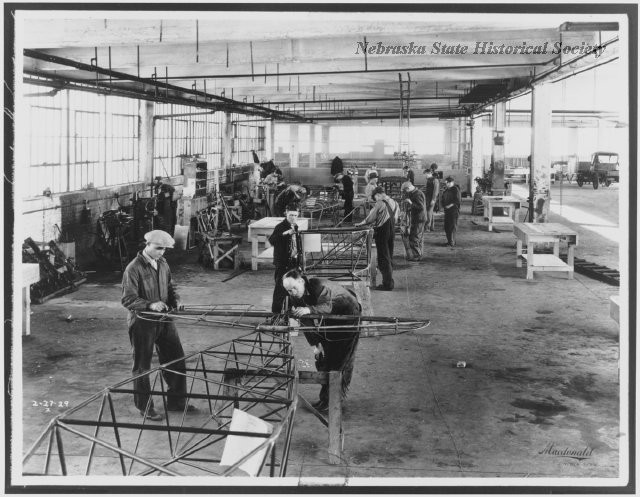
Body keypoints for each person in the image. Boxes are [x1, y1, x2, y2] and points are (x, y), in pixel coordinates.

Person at [121, 230, 197, 421]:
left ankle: (176, 401)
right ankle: (145, 407)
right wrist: (149, 304)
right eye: (158, 248)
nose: (161, 252)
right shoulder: (133, 268)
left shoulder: (163, 263)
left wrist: (176, 301)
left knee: (176, 359)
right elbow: (128, 299)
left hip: (164, 319)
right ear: (147, 245)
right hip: (143, 322)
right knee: (142, 366)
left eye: (164, 249)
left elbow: (171, 287)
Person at [283, 269, 361, 413]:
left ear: (301, 281)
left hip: (348, 313)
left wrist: (309, 309)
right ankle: (325, 399)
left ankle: (334, 401)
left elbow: (327, 306)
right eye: (288, 290)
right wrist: (316, 345)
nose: (292, 292)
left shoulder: (318, 286)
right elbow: (305, 321)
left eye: (294, 288)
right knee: (325, 360)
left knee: (341, 361)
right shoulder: (295, 297)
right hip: (330, 319)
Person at [356, 186, 398, 291]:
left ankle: (387, 285)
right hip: (392, 230)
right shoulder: (394, 202)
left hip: (383, 232)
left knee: (383, 257)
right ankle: (389, 282)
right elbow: (396, 217)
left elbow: (370, 218)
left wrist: (360, 224)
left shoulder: (380, 203)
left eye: (375, 197)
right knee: (389, 255)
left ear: (378, 195)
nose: (375, 200)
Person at [268, 207, 302, 313]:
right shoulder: (280, 227)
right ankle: (276, 314)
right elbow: (272, 240)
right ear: (286, 214)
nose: (293, 218)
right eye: (291, 215)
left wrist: (299, 261)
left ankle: (289, 313)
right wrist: (286, 233)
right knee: (280, 290)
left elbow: (297, 244)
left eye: (295, 215)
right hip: (283, 263)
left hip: (293, 263)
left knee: (293, 289)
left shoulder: (296, 226)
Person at [401, 181, 427, 261]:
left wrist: (410, 203)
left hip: (419, 219)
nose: (406, 193)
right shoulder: (414, 193)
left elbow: (421, 207)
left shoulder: (418, 194)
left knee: (415, 237)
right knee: (419, 237)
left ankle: (416, 256)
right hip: (418, 218)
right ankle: (419, 254)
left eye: (406, 191)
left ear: (408, 188)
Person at [441, 176, 461, 247]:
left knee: (452, 227)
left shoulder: (455, 189)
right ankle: (449, 241)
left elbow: (457, 200)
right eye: (445, 183)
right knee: (447, 227)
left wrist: (449, 205)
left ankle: (452, 242)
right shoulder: (446, 190)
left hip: (453, 211)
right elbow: (443, 198)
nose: (446, 184)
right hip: (447, 211)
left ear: (451, 182)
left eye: (447, 183)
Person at [424, 164, 440, 231]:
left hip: (431, 199)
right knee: (430, 212)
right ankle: (431, 227)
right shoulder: (429, 180)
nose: (426, 175)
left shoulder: (435, 180)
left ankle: (427, 227)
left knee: (428, 212)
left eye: (426, 174)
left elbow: (435, 191)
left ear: (430, 173)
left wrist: (433, 200)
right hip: (428, 198)